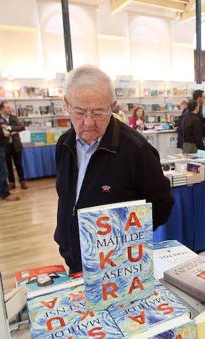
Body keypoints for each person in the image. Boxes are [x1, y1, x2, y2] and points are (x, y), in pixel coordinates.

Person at [54, 65, 174, 273]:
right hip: (74, 257)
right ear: (67, 105)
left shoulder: (137, 151)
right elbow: (66, 198)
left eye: (99, 112)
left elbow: (162, 205)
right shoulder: (64, 144)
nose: (88, 122)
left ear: (113, 106)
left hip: (119, 267)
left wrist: (126, 243)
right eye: (80, 112)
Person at [0, 101, 27, 190]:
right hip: (5, 145)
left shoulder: (14, 117)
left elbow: (22, 127)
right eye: (7, 108)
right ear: (2, 109)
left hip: (16, 145)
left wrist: (9, 128)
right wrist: (12, 131)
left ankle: (22, 181)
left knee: (19, 164)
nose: (10, 109)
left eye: (10, 107)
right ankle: (11, 182)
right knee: (8, 165)